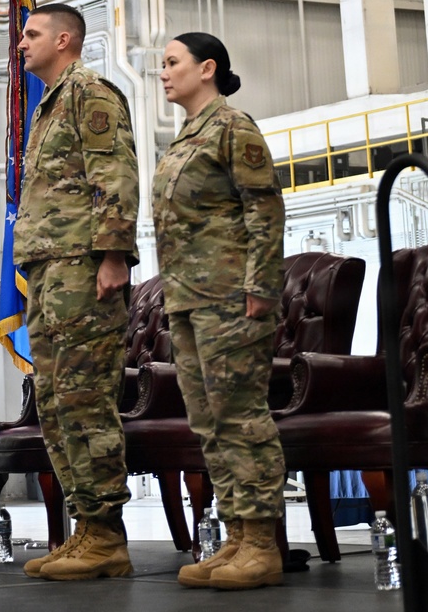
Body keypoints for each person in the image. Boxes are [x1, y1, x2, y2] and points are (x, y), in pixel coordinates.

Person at [153, 32, 286, 591]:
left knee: (240, 416)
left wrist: (262, 286)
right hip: (188, 299)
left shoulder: (233, 127)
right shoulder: (186, 136)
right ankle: (235, 536)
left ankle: (262, 543)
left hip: (231, 297)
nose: (163, 72)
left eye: (172, 62)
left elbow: (265, 210)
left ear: (206, 68)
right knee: (208, 422)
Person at [13, 3, 139, 581]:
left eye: (32, 34)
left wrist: (113, 256)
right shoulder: (49, 104)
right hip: (49, 272)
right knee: (57, 402)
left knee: (85, 399)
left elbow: (114, 176)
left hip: (84, 271)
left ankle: (107, 535)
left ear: (64, 39)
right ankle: (87, 527)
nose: (21, 43)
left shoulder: (90, 93)